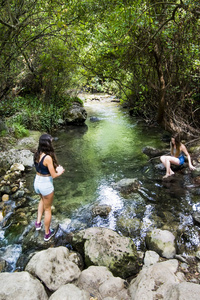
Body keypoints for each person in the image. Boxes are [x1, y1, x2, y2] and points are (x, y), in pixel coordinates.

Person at [33, 134, 65, 241]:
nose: (52, 143)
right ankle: (47, 234)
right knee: (48, 209)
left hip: (37, 182)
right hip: (45, 185)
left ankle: (38, 223)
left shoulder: (37, 154)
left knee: (42, 199)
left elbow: (41, 169)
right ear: (47, 144)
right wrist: (59, 171)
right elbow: (54, 175)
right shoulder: (48, 158)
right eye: (51, 141)